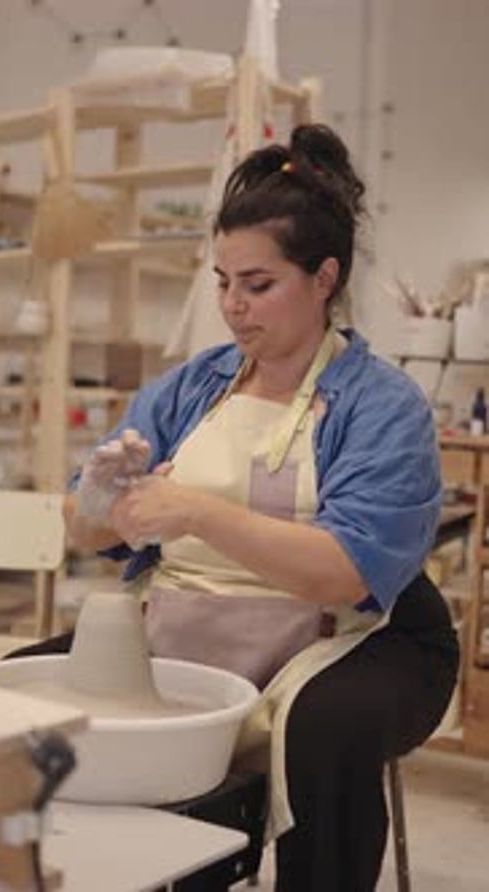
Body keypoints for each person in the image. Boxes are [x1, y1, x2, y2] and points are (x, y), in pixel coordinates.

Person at [62, 124, 458, 891]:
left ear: (323, 278)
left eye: (257, 283)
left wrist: (197, 512)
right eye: (221, 281)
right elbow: (84, 535)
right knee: (32, 701)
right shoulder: (191, 388)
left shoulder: (382, 406)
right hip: (192, 622)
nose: (233, 308)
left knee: (323, 729)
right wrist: (99, 497)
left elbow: (346, 575)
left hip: (354, 635)